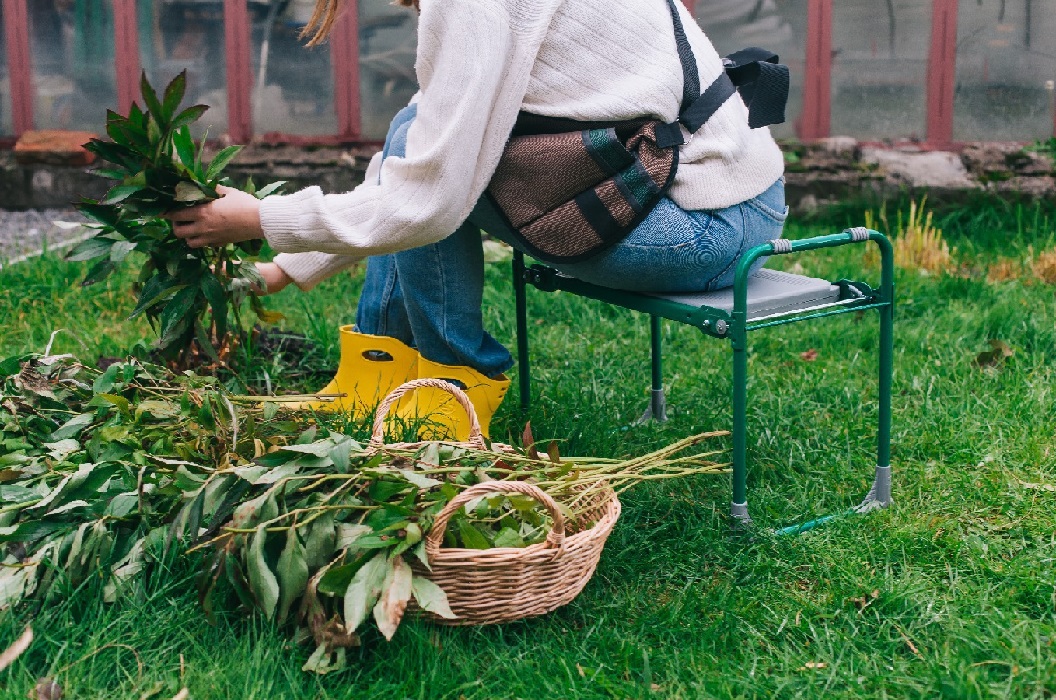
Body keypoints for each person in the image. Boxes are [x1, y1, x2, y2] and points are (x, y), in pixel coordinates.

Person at [168, 0, 787, 440]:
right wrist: (287, 265)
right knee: (416, 135)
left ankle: (455, 391)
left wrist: (262, 218)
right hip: (714, 193)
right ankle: (378, 374)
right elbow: (428, 134)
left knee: (434, 179)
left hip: (708, 221)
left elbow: (428, 201)